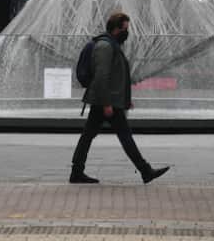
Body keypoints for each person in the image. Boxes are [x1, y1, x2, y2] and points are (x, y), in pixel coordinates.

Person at [70, 11, 170, 185]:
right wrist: (107, 103)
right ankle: (145, 171)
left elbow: (116, 76)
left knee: (89, 136)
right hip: (107, 102)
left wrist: (125, 99)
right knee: (124, 136)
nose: (127, 32)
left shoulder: (112, 44)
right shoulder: (105, 46)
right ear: (116, 29)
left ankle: (76, 172)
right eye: (125, 28)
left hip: (109, 100)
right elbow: (102, 76)